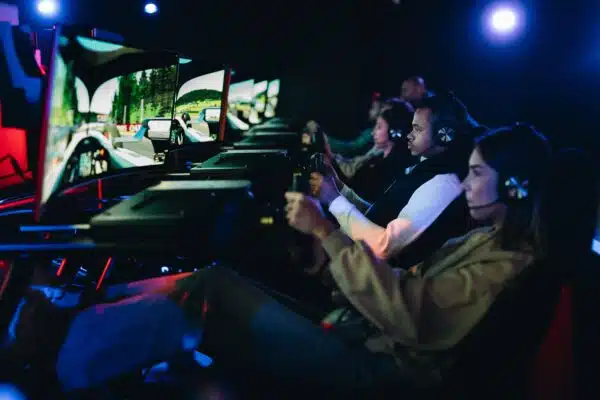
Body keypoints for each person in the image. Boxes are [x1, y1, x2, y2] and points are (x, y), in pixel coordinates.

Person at [12, 124, 551, 396]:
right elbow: (405, 286)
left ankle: (57, 356)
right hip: (361, 334)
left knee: (210, 293)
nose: (466, 183)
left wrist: (328, 234)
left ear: (516, 187)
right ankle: (75, 316)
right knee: (216, 280)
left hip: (378, 373)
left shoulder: (506, 264)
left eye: (477, 174)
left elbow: (411, 313)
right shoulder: (489, 241)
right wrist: (328, 262)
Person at [311, 94, 475, 266]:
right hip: (361, 260)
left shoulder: (443, 183)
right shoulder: (422, 166)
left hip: (374, 273)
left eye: (418, 129)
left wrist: (334, 200)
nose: (409, 135)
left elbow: (384, 246)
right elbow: (378, 216)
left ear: (444, 135)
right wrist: (338, 188)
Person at [328, 99, 415, 202]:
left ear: (393, 132)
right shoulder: (375, 160)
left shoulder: (389, 169)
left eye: (379, 127)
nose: (373, 133)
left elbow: (360, 198)